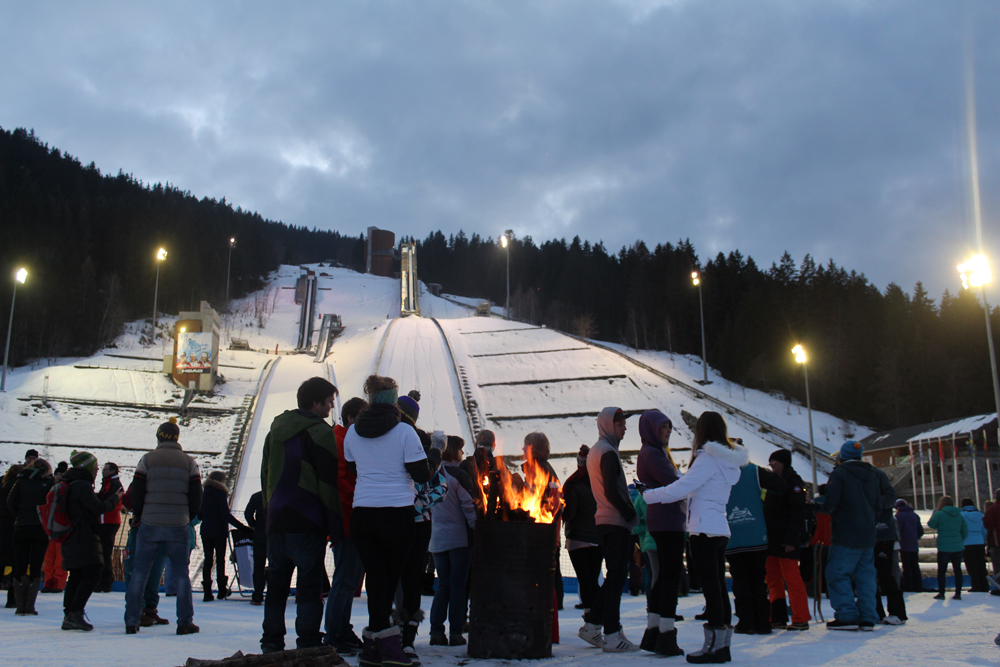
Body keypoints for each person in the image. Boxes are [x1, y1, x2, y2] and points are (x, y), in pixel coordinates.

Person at [345, 375, 441, 667]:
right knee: (389, 579)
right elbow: (422, 475)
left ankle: (374, 645)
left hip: (362, 513)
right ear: (394, 402)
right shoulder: (404, 433)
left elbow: (353, 468)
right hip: (397, 513)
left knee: (376, 578)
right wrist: (435, 452)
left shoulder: (352, 432)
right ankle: (388, 646)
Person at [644, 411, 747, 664]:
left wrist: (648, 495)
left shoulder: (707, 458)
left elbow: (682, 488)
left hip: (703, 528)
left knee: (711, 588)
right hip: (720, 526)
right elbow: (694, 483)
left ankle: (713, 648)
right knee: (719, 587)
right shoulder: (727, 460)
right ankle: (722, 646)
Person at [259, 377, 343, 653]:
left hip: (277, 519)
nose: (331, 407)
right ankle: (307, 640)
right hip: (308, 520)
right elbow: (328, 482)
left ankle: (271, 640)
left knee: (277, 586)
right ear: (316, 403)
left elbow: (265, 476)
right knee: (309, 586)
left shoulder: (275, 431)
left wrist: (269, 512)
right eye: (329, 402)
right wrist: (335, 524)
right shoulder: (320, 433)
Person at [124, 419, 203, 635]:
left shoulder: (147, 460)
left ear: (158, 437)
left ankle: (132, 620)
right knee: (181, 575)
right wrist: (188, 516)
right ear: (177, 438)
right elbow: (197, 497)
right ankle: (185, 622)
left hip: (149, 523)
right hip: (178, 523)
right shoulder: (189, 463)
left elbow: (137, 493)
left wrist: (141, 515)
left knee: (140, 573)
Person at [578, 407, 641, 653]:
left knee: (615, 577)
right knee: (616, 578)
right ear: (608, 425)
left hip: (605, 520)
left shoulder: (598, 450)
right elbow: (612, 491)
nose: (625, 427)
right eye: (620, 424)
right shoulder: (607, 452)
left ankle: (595, 625)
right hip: (615, 521)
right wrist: (630, 514)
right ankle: (611, 632)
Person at [817, 441, 896, 631]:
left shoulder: (841, 473)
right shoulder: (874, 474)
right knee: (865, 575)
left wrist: (817, 502)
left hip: (845, 532)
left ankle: (846, 615)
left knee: (837, 573)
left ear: (841, 457)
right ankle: (868, 616)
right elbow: (888, 497)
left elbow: (831, 504)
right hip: (869, 533)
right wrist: (874, 507)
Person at [395, 393, 447, 663]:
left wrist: (413, 503)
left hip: (398, 519)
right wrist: (419, 504)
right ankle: (403, 638)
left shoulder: (396, 440)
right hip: (414, 521)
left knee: (398, 580)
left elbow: (439, 487)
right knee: (408, 580)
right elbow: (440, 488)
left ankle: (396, 636)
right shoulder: (422, 444)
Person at [635, 409, 687, 656]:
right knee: (669, 576)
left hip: (666, 518)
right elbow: (673, 482)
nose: (667, 431)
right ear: (651, 429)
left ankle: (654, 631)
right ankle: (666, 635)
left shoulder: (656, 452)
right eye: (663, 427)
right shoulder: (652, 453)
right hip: (667, 519)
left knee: (664, 575)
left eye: (669, 427)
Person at [323, 397, 369, 654]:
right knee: (344, 578)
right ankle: (335, 632)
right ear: (351, 418)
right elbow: (340, 482)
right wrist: (361, 500)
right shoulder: (339, 441)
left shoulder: (345, 440)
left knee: (349, 579)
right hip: (348, 519)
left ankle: (341, 628)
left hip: (353, 517)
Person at [62, 451, 123, 631]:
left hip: (72, 534)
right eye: (96, 467)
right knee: (93, 571)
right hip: (84, 535)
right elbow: (98, 508)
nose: (98, 470)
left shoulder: (71, 482)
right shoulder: (82, 485)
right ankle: (75, 613)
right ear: (87, 467)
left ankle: (70, 614)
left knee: (77, 573)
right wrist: (116, 498)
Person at [724, 460, 786, 636]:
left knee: (740, 582)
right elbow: (780, 486)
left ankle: (746, 622)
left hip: (732, 534)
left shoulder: (717, 470)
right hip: (756, 534)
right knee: (759, 581)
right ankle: (763, 622)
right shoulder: (753, 470)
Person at [428, 435, 476, 647]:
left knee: (443, 586)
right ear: (453, 451)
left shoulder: (430, 474)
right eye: (460, 450)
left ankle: (436, 631)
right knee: (458, 586)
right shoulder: (458, 476)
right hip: (459, 539)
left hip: (437, 538)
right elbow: (468, 506)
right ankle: (456, 631)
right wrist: (478, 529)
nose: (463, 454)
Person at [763, 449, 811, 631]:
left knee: (791, 578)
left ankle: (800, 617)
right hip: (773, 539)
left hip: (786, 540)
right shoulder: (775, 482)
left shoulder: (794, 483)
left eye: (774, 462)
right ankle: (777, 616)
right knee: (773, 579)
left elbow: (798, 513)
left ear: (783, 462)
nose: (771, 465)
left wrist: (791, 539)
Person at [6, 458, 53, 615]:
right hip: (40, 528)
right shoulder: (48, 482)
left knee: (20, 563)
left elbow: (10, 501)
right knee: (35, 564)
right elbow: (53, 503)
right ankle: (30, 605)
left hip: (21, 526)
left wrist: (18, 515)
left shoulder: (21, 480)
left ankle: (19, 605)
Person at [563, 445, 602, 615]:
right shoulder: (600, 483)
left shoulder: (573, 484)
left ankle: (590, 616)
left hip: (578, 538)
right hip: (598, 537)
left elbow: (570, 514)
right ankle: (597, 613)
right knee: (593, 579)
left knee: (584, 579)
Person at [199, 471, 247, 601]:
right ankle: (221, 589)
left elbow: (199, 515)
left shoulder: (204, 494)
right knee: (220, 559)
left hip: (205, 531)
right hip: (219, 531)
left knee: (208, 559)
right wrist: (242, 527)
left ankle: (207, 592)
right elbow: (225, 515)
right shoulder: (220, 494)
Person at [929, 495, 968, 600]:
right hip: (958, 546)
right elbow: (965, 531)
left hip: (944, 547)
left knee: (942, 570)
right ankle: (958, 593)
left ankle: (941, 593)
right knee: (957, 570)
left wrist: (935, 513)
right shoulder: (959, 515)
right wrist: (959, 540)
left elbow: (931, 524)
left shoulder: (940, 514)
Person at [95, 462, 123, 593]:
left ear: (112, 471)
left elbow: (105, 500)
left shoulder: (113, 484)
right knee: (104, 551)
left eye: (105, 469)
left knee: (105, 551)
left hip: (108, 521)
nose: (102, 471)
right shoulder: (109, 483)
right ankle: (104, 580)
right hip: (107, 520)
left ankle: (105, 581)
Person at [0, 464, 24, 607]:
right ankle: (12, 599)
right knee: (16, 563)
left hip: (1, 528)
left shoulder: (2, 485)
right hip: (13, 528)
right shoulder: (17, 487)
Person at [894, 499, 924, 592]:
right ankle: (918, 586)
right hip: (914, 545)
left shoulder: (899, 516)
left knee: (906, 566)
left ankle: (908, 586)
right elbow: (921, 531)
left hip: (904, 544)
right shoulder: (915, 515)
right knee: (915, 565)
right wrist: (915, 537)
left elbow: (898, 530)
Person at [959, 498, 989, 592]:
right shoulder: (980, 515)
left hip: (967, 543)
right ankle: (984, 585)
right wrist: (982, 540)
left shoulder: (961, 515)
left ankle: (976, 585)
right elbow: (984, 530)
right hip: (979, 542)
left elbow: (960, 530)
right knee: (981, 564)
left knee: (971, 565)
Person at [244, 490, 267, 605]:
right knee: (277, 566)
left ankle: (258, 595)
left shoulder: (257, 496)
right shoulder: (279, 493)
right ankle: (276, 594)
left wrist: (254, 525)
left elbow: (248, 513)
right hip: (276, 535)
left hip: (260, 536)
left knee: (258, 567)